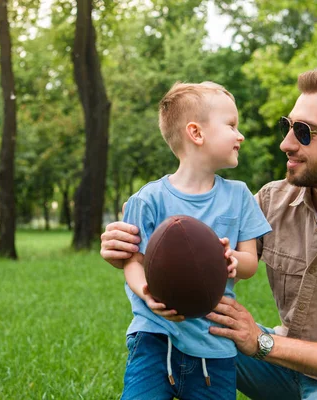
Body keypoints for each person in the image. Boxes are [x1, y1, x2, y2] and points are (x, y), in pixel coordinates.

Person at [101, 67, 317, 400]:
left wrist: (262, 342)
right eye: (288, 126)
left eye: (305, 131)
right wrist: (131, 250)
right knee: (194, 339)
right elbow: (193, 244)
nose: (286, 143)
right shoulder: (271, 200)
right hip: (283, 365)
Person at [117, 81, 272, 400]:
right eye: (231, 125)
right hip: (154, 336)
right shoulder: (149, 199)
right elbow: (133, 262)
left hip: (214, 340)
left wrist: (232, 261)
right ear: (196, 133)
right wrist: (147, 294)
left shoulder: (240, 196)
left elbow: (250, 263)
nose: (239, 135)